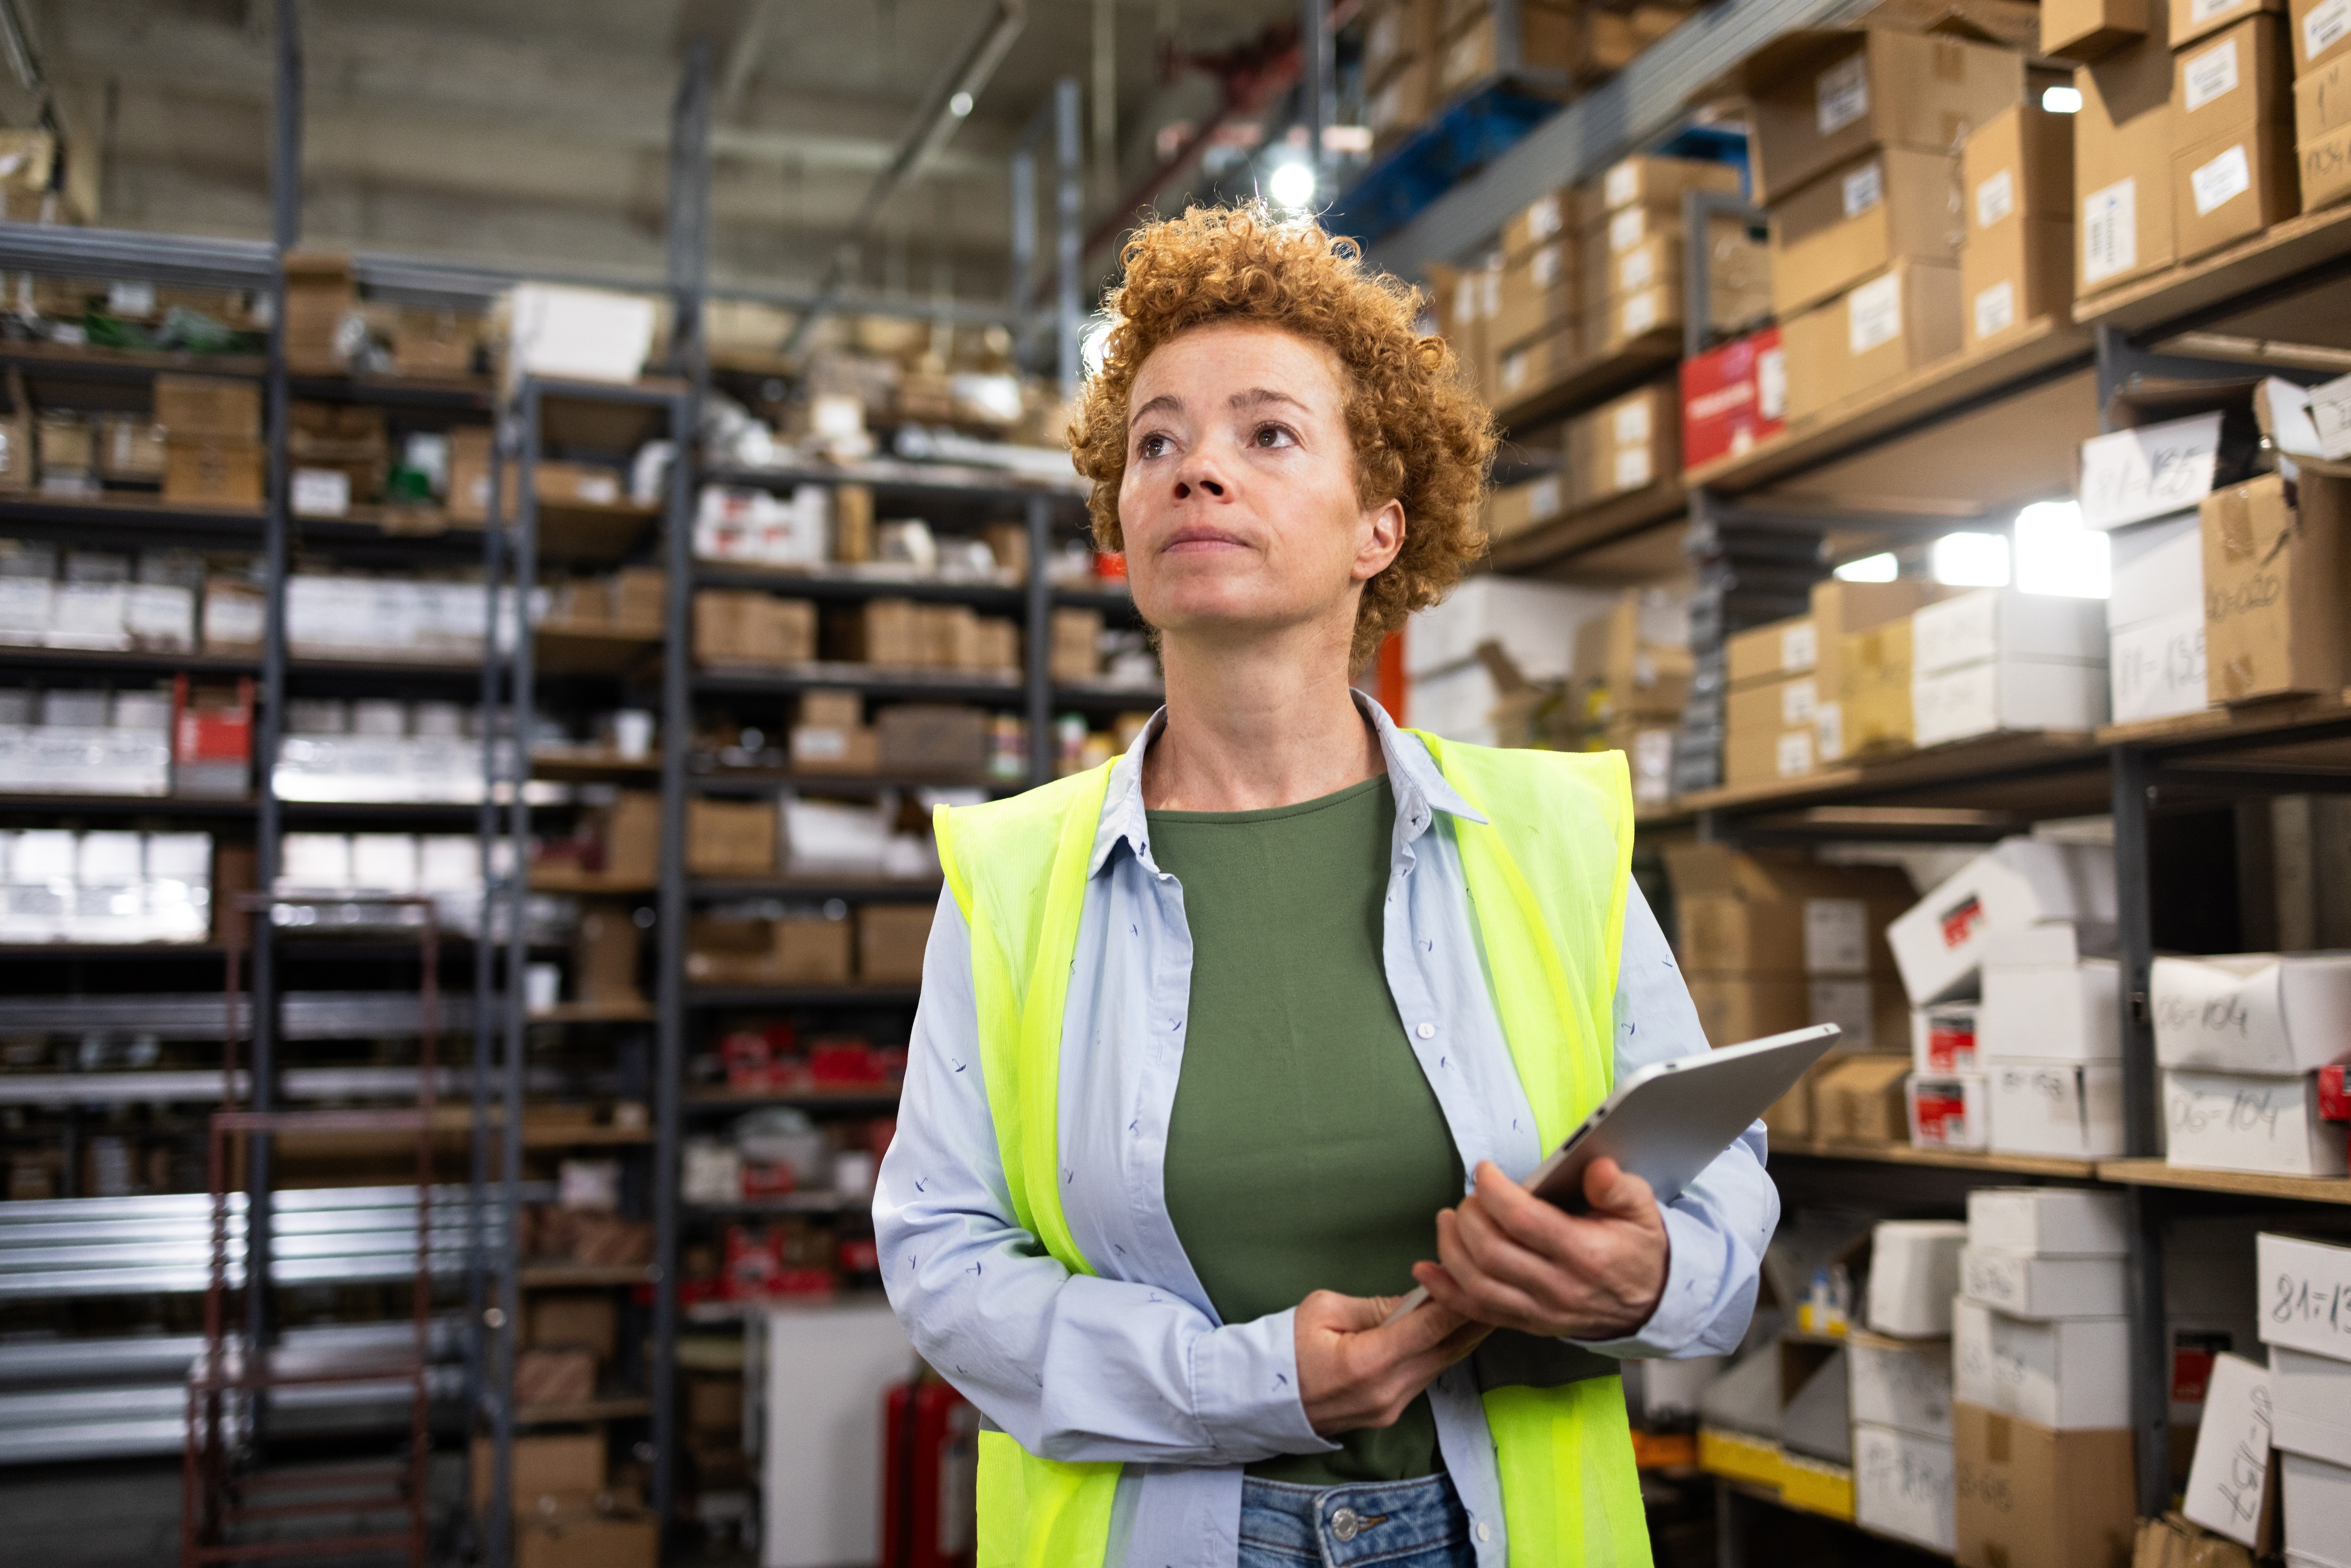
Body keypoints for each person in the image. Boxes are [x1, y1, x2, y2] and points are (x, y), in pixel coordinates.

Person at [875, 204, 1775, 1568]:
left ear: (1377, 527)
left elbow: (1719, 1195)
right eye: (1157, 442)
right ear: (1119, 518)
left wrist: (1652, 1278)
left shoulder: (1547, 836)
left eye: (1267, 434)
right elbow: (943, 1264)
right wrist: (1243, 1382)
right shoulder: (1011, 877)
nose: (1196, 472)